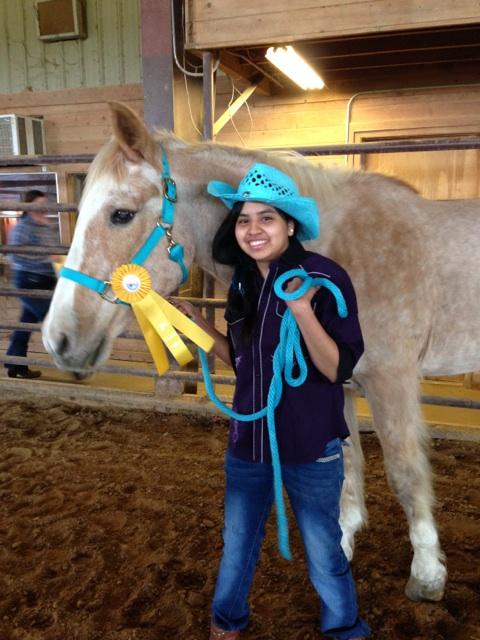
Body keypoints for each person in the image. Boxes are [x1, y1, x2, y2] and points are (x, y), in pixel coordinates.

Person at [172, 163, 370, 640]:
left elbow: (337, 369)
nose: (253, 229)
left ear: (290, 225)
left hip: (310, 444)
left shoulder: (325, 278)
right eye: (244, 219)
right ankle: (227, 619)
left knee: (323, 548)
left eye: (267, 219)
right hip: (250, 440)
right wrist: (197, 324)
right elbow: (243, 363)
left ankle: (344, 627)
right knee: (237, 541)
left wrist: (302, 311)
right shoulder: (242, 283)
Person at [5, 190, 59, 379]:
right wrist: (44, 256)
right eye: (39, 205)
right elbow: (15, 255)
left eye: (45, 204)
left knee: (25, 324)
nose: (43, 208)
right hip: (28, 280)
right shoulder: (22, 227)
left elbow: (55, 251)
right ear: (29, 207)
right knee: (53, 319)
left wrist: (48, 229)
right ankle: (73, 364)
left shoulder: (46, 226)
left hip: (46, 280)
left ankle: (15, 364)